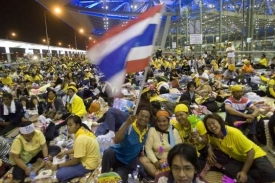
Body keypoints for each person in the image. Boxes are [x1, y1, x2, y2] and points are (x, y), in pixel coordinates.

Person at [203, 113, 275, 183]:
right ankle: (249, 173)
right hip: (239, 159)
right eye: (208, 125)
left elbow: (251, 151)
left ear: (219, 122)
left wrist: (244, 172)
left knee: (271, 175)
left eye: (213, 123)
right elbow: (211, 143)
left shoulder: (234, 133)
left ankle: (247, 172)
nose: (212, 126)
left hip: (256, 155)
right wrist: (209, 151)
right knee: (229, 169)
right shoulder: (212, 136)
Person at [101, 107, 151, 183]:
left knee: (119, 180)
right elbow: (116, 140)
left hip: (127, 162)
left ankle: (116, 172)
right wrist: (127, 123)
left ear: (149, 119)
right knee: (108, 153)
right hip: (116, 155)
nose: (143, 118)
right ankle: (104, 178)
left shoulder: (148, 129)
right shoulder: (129, 125)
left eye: (146, 117)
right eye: (142, 115)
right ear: (136, 116)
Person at [50, 115, 100, 181]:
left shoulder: (80, 138)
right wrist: (65, 152)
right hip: (91, 160)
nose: (68, 128)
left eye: (70, 125)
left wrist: (58, 166)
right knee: (67, 158)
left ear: (77, 125)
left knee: (59, 174)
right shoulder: (83, 131)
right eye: (67, 125)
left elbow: (75, 161)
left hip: (89, 165)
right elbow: (79, 148)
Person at [139, 110, 182, 178]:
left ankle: (163, 176)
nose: (162, 123)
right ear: (156, 122)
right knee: (142, 159)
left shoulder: (174, 131)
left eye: (164, 121)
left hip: (170, 160)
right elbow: (148, 148)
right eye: (159, 121)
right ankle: (159, 177)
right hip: (156, 161)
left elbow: (179, 149)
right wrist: (155, 161)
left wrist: (168, 160)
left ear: (168, 121)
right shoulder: (152, 130)